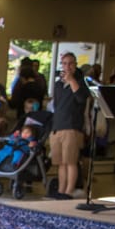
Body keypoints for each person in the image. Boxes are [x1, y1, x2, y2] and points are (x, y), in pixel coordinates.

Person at [48, 52, 88, 199]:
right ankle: (61, 190)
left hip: (72, 127)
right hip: (58, 126)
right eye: (64, 64)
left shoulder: (81, 82)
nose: (67, 66)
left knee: (70, 161)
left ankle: (69, 190)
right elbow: (57, 104)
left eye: (70, 63)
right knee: (60, 163)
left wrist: (72, 81)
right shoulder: (58, 84)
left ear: (75, 65)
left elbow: (81, 98)